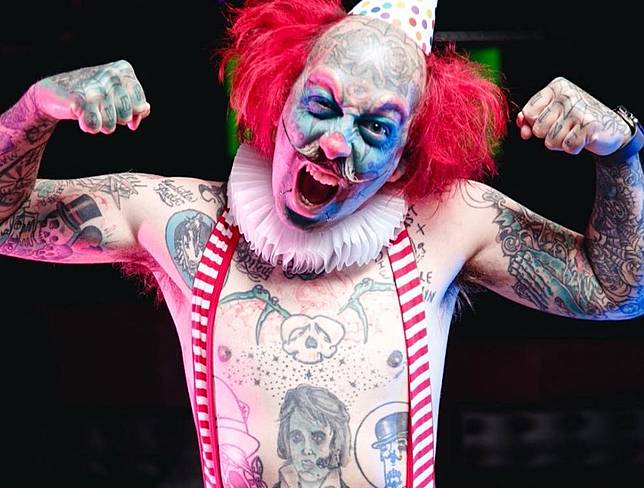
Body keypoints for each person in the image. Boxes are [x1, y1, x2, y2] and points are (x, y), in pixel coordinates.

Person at [1, 0, 642, 487]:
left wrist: (622, 152)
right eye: (322, 105)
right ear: (280, 97)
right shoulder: (179, 219)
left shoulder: (452, 223)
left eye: (375, 127)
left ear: (402, 159)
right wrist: (35, 108)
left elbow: (619, 292)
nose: (336, 144)